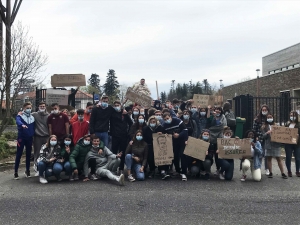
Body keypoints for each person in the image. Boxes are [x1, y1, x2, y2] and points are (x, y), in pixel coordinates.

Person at [162, 112, 188, 181]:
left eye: (167, 118)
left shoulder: (178, 121)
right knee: (175, 156)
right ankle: (178, 170)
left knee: (182, 155)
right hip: (173, 143)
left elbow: (185, 130)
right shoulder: (164, 125)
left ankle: (184, 172)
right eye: (165, 119)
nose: (167, 120)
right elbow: (164, 134)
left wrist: (179, 135)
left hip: (182, 141)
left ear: (170, 117)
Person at [110, 100, 133, 175]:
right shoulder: (112, 113)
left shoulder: (125, 114)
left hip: (123, 136)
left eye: (118, 105)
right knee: (114, 152)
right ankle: (113, 168)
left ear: (120, 105)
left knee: (122, 152)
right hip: (115, 136)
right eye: (115, 105)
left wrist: (128, 133)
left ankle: (121, 168)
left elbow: (131, 123)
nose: (117, 106)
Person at [262, 114, 288, 179]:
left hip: (276, 144)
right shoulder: (264, 126)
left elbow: (281, 134)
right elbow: (263, 136)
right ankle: (270, 172)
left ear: (273, 118)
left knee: (278, 158)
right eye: (268, 117)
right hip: (268, 144)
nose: (269, 118)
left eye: (270, 117)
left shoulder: (277, 126)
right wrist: (267, 133)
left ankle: (283, 173)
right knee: (269, 158)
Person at [14, 102, 35, 179]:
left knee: (28, 155)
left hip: (29, 138)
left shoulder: (32, 117)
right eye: (27, 108)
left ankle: (27, 170)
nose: (29, 109)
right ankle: (16, 172)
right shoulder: (20, 116)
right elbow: (18, 121)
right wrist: (22, 125)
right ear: (24, 108)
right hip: (21, 138)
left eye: (30, 108)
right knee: (19, 154)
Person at [31, 101, 49, 175]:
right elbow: (26, 114)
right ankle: (37, 168)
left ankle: (46, 168)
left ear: (45, 107)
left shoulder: (49, 115)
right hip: (37, 137)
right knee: (37, 153)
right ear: (38, 107)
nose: (42, 107)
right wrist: (20, 113)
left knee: (47, 153)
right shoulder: (34, 114)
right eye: (41, 106)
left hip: (47, 136)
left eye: (43, 106)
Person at [253, 104, 270, 175]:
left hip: (268, 139)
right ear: (261, 110)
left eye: (265, 110)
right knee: (260, 154)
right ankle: (258, 167)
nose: (264, 111)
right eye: (263, 110)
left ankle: (267, 169)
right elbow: (254, 129)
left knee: (266, 154)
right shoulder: (257, 119)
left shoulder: (270, 118)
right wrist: (255, 137)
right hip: (259, 139)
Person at [284, 111, 300, 177]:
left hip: (297, 143)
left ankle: (297, 171)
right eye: (291, 115)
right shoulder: (287, 124)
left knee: (298, 158)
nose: (292, 117)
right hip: (288, 144)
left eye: (293, 115)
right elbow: (283, 132)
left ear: (296, 116)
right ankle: (289, 171)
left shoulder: (299, 124)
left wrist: (298, 135)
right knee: (288, 157)